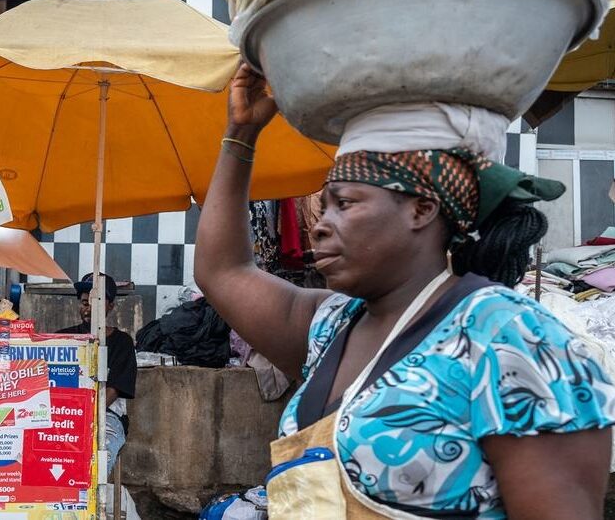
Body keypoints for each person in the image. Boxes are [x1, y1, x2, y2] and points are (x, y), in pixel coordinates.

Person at [194, 63, 615, 518]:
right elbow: (223, 271)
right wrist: (241, 133)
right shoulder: (331, 326)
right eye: (324, 204)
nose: (319, 226)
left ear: (421, 209)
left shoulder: (511, 338)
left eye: (345, 204)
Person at [56, 273, 137, 477]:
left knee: (98, 459)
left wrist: (84, 415)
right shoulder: (62, 338)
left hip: (106, 416)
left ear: (110, 306)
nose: (88, 308)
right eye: (84, 302)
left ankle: (93, 506)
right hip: (62, 416)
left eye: (96, 302)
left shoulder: (123, 343)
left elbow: (115, 389)